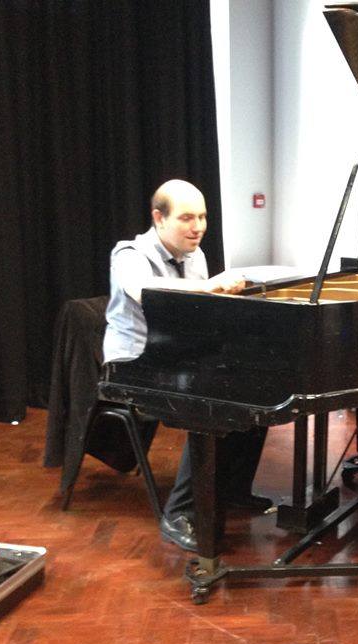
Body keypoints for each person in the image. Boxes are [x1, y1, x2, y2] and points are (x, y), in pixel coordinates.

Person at [103, 179, 271, 553]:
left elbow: (199, 314)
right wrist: (210, 287)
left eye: (203, 217)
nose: (198, 227)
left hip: (177, 354)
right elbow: (146, 291)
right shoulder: (128, 254)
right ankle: (179, 514)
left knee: (259, 386)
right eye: (186, 218)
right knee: (208, 399)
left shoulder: (193, 253)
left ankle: (232, 488)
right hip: (133, 361)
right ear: (158, 219)